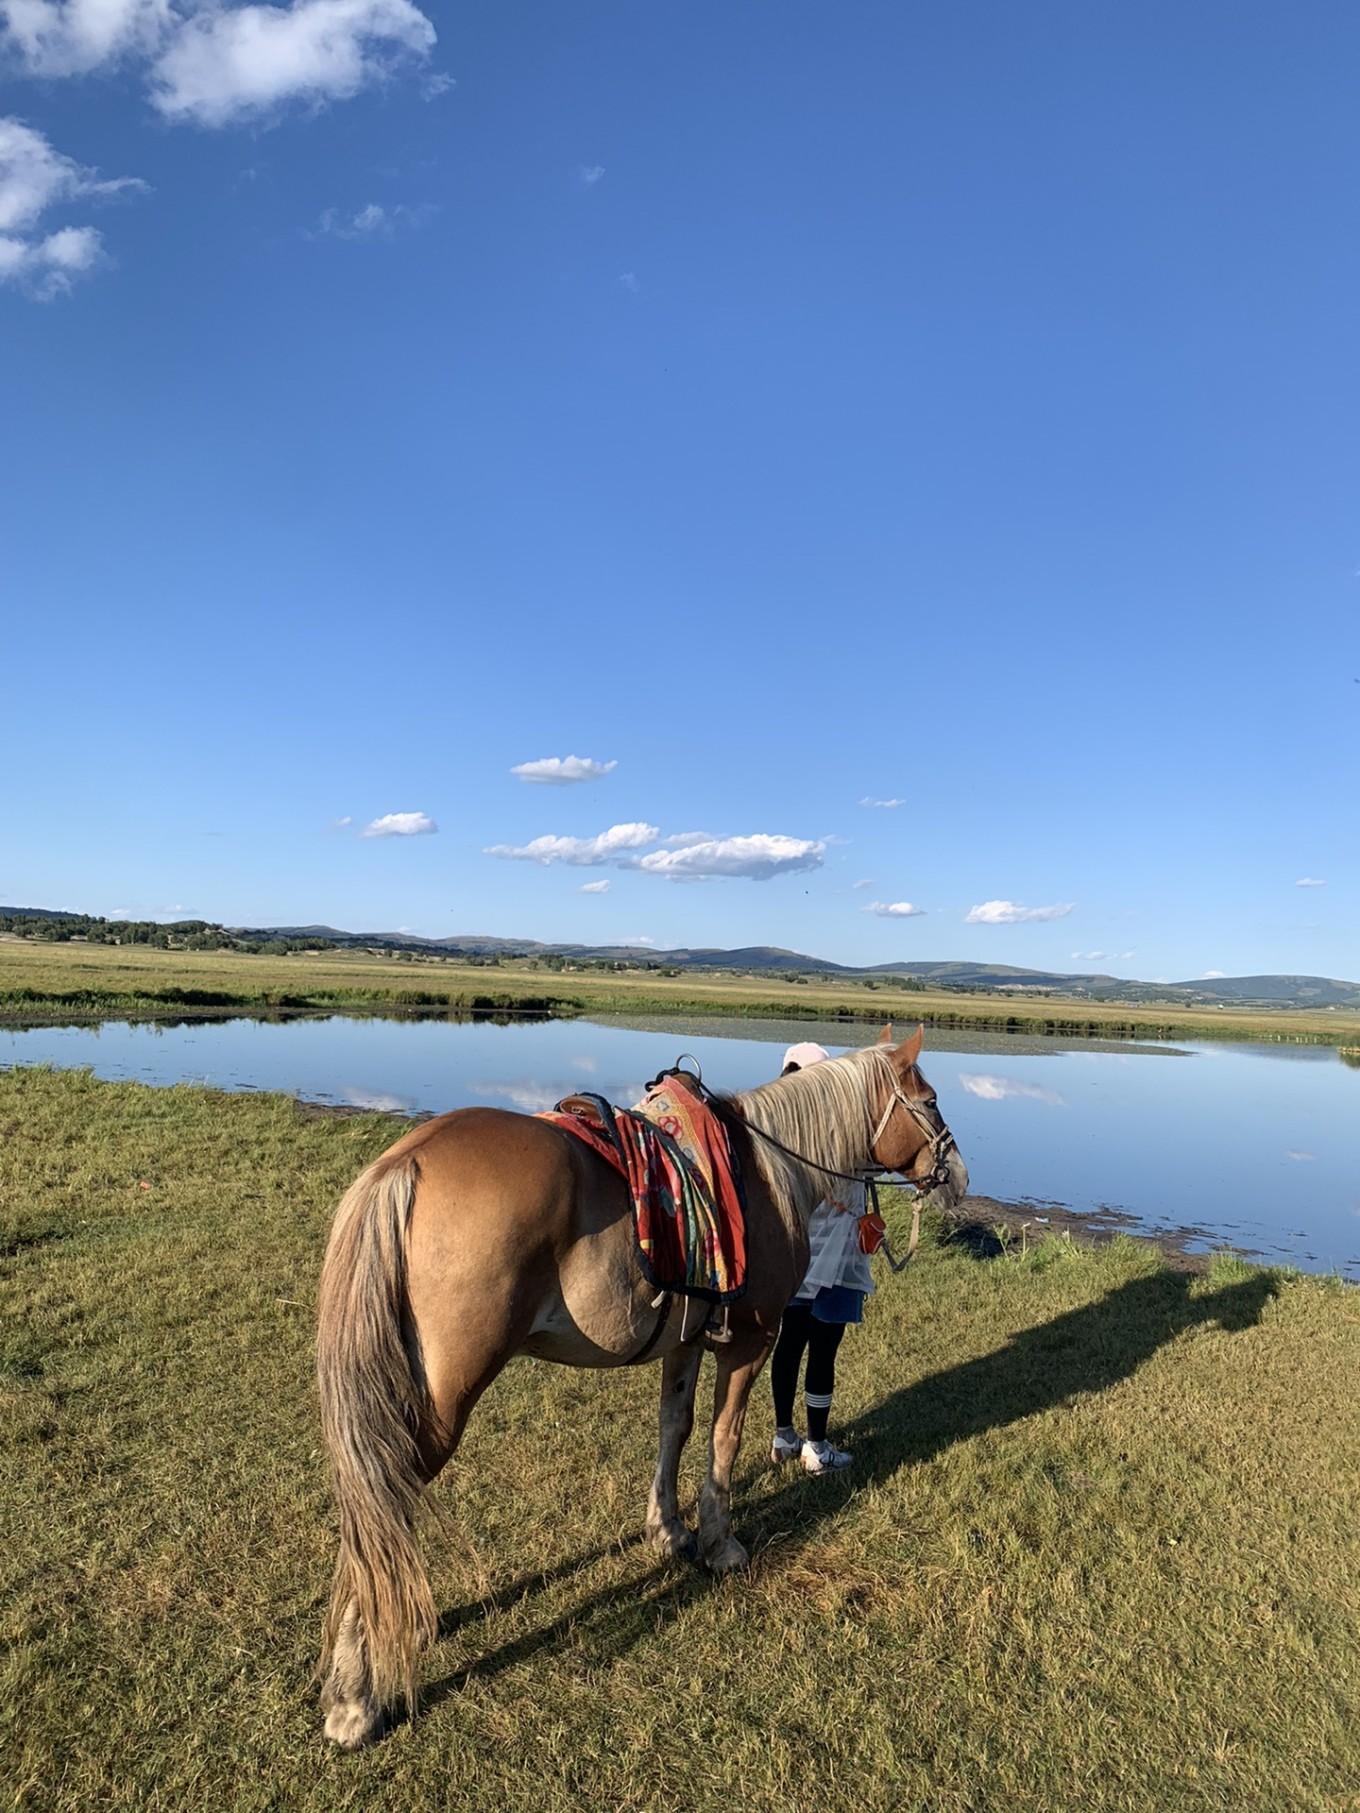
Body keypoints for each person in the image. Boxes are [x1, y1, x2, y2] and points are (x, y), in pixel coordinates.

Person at [768, 1041, 872, 1474]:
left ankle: (783, 1434)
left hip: (795, 1253)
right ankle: (816, 1446)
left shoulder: (777, 1128)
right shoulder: (842, 1131)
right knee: (823, 1350)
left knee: (789, 1342)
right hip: (839, 1255)